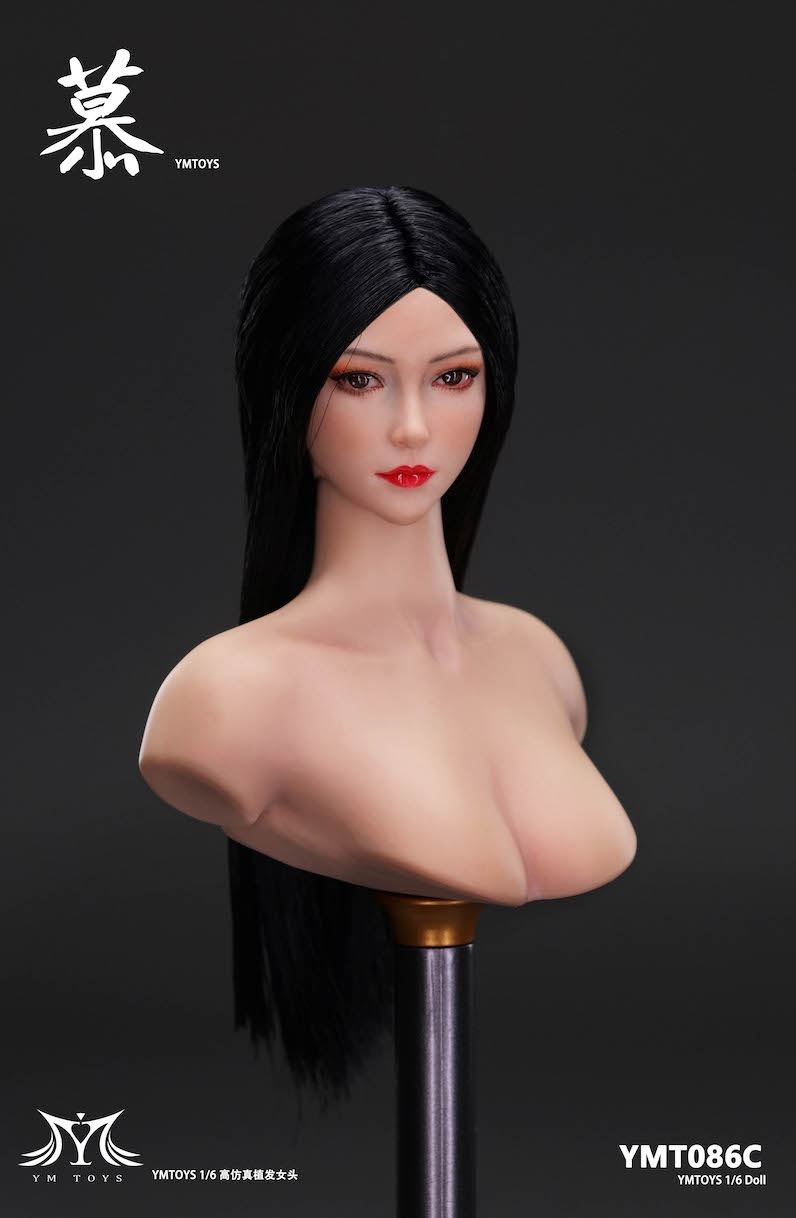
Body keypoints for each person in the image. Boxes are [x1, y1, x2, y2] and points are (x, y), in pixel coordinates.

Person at [138, 184, 636, 1109]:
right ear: (287, 386)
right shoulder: (228, 699)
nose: (413, 427)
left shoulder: (536, 658)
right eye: (359, 380)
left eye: (453, 377)